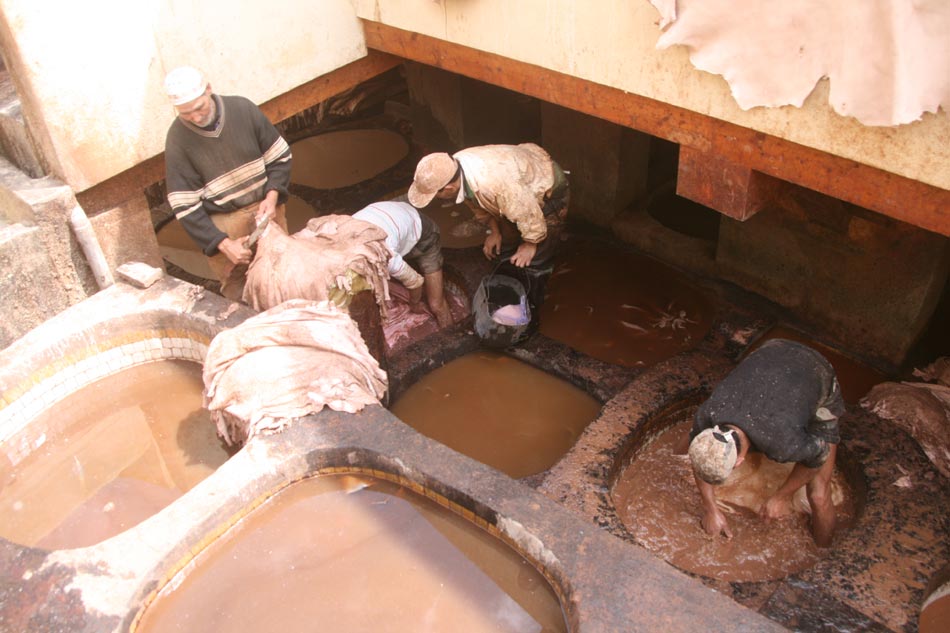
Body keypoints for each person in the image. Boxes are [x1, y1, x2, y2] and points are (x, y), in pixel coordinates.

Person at [687, 338, 845, 547]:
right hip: (772, 350)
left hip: (816, 370)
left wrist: (782, 496)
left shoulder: (781, 441)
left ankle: (825, 553)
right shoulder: (708, 413)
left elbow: (818, 456)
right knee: (692, 445)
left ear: (739, 461)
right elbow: (699, 457)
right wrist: (711, 509)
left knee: (818, 495)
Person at [163, 66, 292, 301]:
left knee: (284, 276)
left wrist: (272, 196)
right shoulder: (177, 139)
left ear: (208, 90)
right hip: (226, 225)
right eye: (186, 113)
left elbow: (279, 158)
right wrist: (223, 244)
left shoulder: (243, 110)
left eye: (199, 108)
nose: (196, 117)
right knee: (243, 293)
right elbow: (185, 207)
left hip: (267, 209)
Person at [406, 143, 569, 314]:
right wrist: (495, 232)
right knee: (505, 244)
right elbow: (476, 204)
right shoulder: (455, 168)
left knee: (537, 256)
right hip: (516, 186)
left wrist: (531, 244)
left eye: (435, 195)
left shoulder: (493, 184)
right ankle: (510, 283)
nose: (435, 199)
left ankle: (535, 301)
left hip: (545, 184)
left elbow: (529, 213)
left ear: (449, 188)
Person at [352, 200, 453, 327]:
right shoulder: (339, 243)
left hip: (422, 231)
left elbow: (416, 282)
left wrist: (414, 304)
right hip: (390, 212)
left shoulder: (387, 257)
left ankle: (453, 332)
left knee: (436, 305)